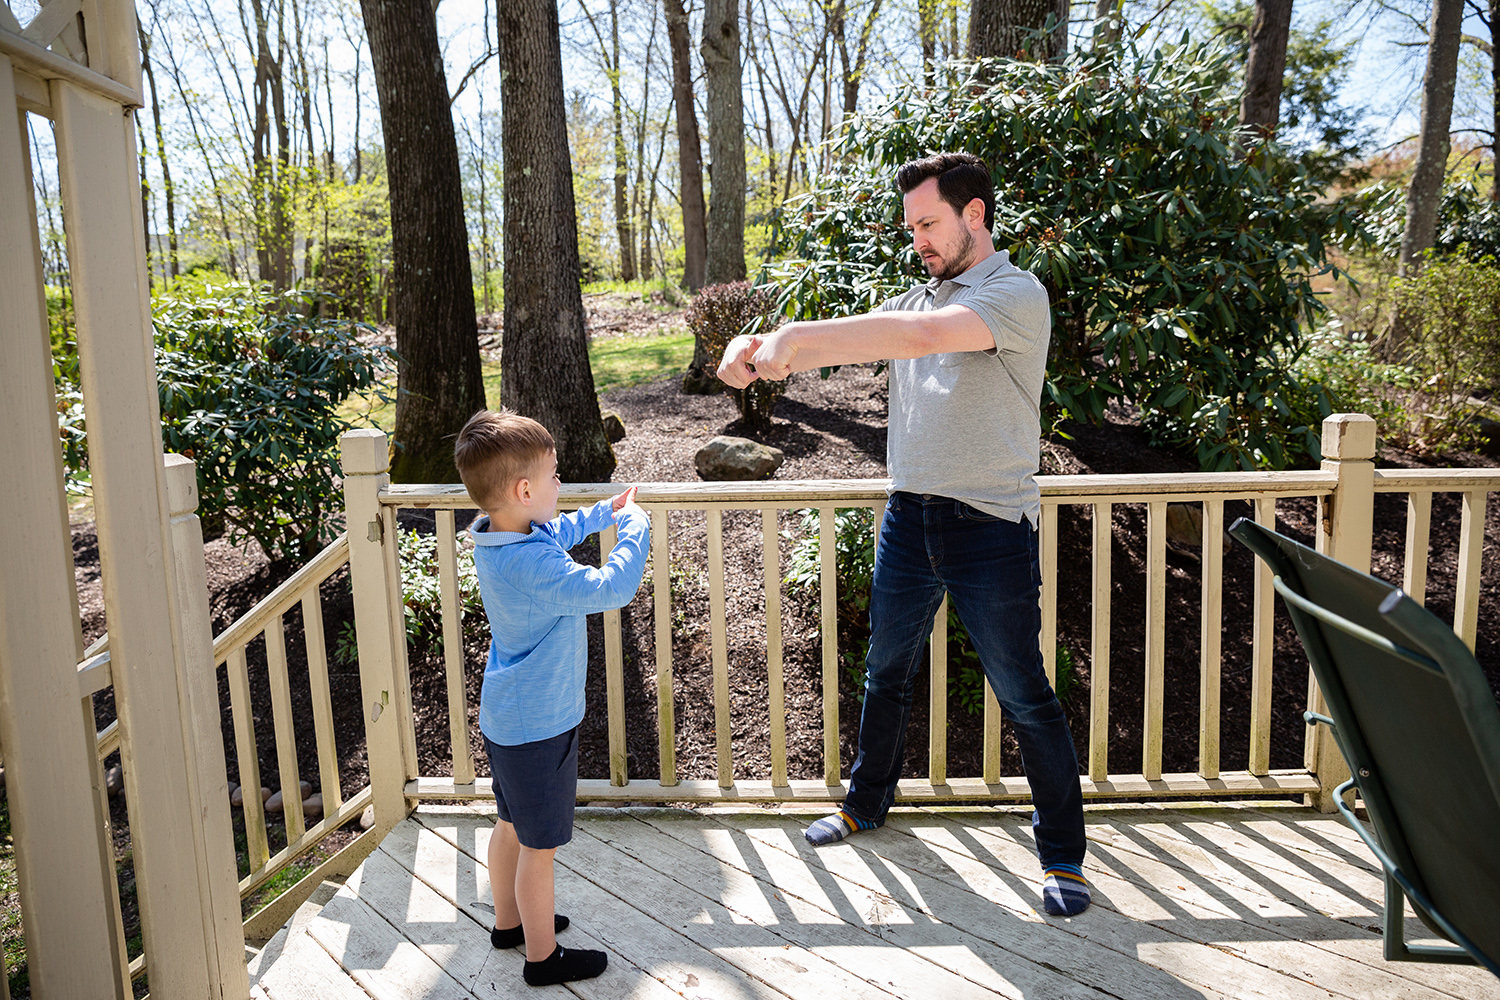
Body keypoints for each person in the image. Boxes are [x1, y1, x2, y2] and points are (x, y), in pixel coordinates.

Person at [716, 152, 1089, 917]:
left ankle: (1062, 857)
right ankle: (866, 803)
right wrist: (757, 351)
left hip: (989, 525)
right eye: (911, 226)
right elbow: (874, 334)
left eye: (928, 223)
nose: (917, 238)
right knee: (885, 673)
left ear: (974, 215)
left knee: (1025, 697)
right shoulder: (923, 294)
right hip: (909, 518)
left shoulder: (1014, 293)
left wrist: (799, 331)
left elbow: (917, 338)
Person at [453, 408, 650, 985]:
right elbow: (611, 587)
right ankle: (543, 959)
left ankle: (509, 925)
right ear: (524, 489)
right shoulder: (531, 562)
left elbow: (556, 530)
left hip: (509, 714)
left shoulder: (499, 535)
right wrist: (632, 528)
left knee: (512, 824)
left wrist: (600, 513)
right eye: (555, 476)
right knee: (540, 847)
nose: (560, 485)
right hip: (539, 721)